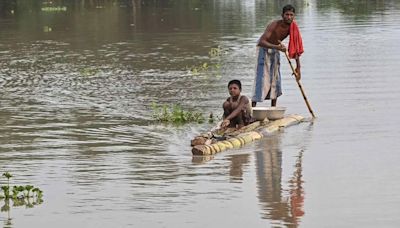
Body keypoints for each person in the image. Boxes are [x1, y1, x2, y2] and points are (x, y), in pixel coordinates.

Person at [251, 4, 303, 107]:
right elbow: (261, 42)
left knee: (275, 79)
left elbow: (295, 47)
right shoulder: (274, 25)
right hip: (264, 50)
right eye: (287, 15)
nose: (289, 17)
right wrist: (277, 47)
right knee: (261, 78)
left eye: (291, 15)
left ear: (294, 16)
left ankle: (273, 109)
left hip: (275, 50)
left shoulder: (293, 27)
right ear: (282, 15)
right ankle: (252, 110)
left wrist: (298, 67)